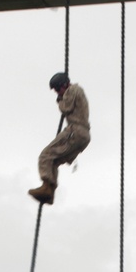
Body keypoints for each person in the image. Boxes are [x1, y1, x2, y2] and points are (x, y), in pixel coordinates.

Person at [29, 72, 91, 206]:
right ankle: (49, 192)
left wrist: (60, 100)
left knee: (45, 156)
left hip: (75, 130)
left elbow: (66, 108)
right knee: (54, 161)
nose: (57, 92)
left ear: (64, 85)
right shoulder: (77, 91)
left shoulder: (73, 90)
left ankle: (46, 187)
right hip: (83, 135)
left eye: (58, 89)